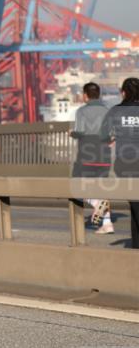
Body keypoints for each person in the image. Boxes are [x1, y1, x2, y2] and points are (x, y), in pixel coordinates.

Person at [101, 77, 139, 249]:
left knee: (135, 202)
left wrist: (112, 139)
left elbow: (103, 134)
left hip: (126, 162)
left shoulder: (115, 111)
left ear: (123, 93)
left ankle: (136, 245)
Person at [71, 82, 114, 234]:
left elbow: (80, 131)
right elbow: (111, 134)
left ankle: (95, 203)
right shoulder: (108, 111)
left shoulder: (81, 111)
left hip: (87, 154)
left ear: (85, 95)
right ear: (98, 94)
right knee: (103, 188)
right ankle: (107, 224)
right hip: (104, 154)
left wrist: (72, 133)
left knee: (76, 186)